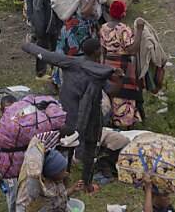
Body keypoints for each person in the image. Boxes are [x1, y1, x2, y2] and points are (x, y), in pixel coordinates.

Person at [23, 39, 113, 194]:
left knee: (62, 146)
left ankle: (61, 176)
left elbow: (47, 55)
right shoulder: (99, 70)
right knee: (90, 149)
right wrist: (118, 78)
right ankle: (86, 183)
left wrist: (27, 46)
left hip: (67, 116)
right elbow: (112, 90)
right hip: (90, 117)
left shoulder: (71, 62)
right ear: (96, 52)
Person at [101, 0, 144, 128]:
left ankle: (111, 120)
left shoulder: (103, 28)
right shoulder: (124, 29)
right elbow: (132, 50)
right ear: (123, 14)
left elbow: (102, 50)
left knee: (112, 93)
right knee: (125, 95)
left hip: (108, 65)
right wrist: (140, 31)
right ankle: (124, 122)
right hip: (123, 65)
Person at [15, 136, 82, 212]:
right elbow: (55, 202)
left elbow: (60, 197)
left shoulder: (56, 181)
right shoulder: (45, 191)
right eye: (62, 171)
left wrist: (72, 189)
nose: (66, 173)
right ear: (53, 174)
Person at [32, 0, 62, 78]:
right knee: (42, 47)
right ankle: (40, 72)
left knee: (54, 46)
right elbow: (38, 7)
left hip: (53, 22)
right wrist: (40, 27)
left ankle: (53, 70)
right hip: (44, 23)